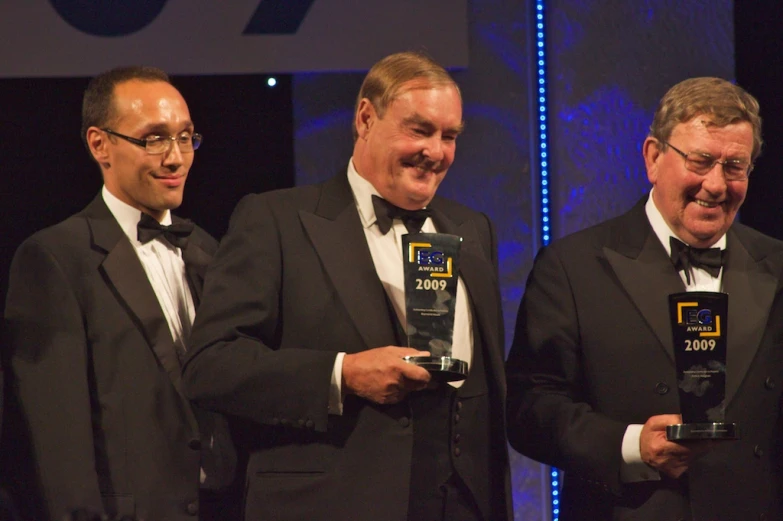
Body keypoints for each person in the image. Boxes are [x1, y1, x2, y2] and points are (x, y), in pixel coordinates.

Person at [181, 51, 512, 521]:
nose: (436, 152)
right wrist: (343, 375)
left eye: (450, 136)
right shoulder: (275, 220)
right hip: (333, 503)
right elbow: (210, 366)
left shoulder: (472, 228)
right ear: (365, 118)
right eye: (419, 130)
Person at [506, 77, 783, 520]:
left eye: (735, 166)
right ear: (654, 157)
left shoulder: (778, 265)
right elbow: (528, 408)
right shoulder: (572, 266)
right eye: (701, 161)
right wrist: (631, 445)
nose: (716, 184)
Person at [1, 66, 237, 521]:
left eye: (185, 137)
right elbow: (58, 435)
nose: (176, 158)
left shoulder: (211, 250)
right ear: (99, 144)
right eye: (154, 139)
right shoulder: (55, 256)